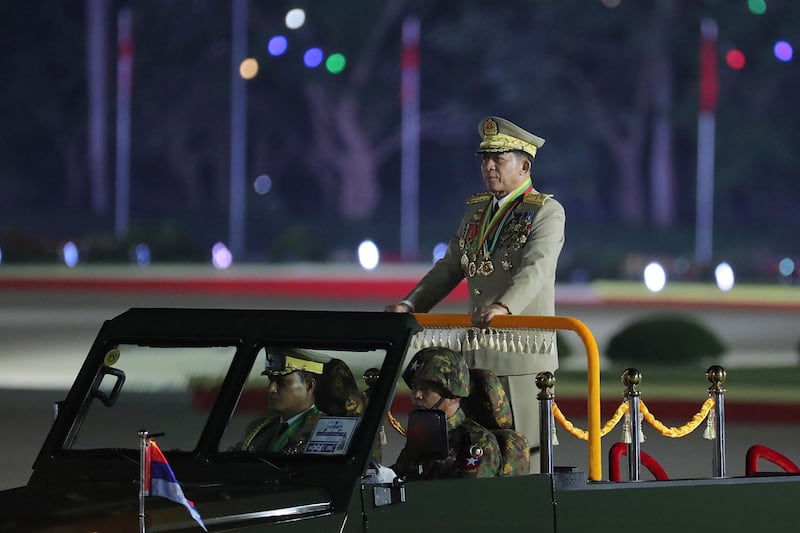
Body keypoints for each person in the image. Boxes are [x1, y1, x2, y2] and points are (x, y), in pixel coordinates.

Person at [386, 116, 566, 471]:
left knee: (522, 457)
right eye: (485, 158)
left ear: (524, 165)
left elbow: (537, 268)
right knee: (477, 454)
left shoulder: (545, 211)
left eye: (498, 159)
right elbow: (450, 266)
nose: (488, 166)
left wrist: (504, 306)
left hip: (521, 355)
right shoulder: (477, 210)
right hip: (477, 354)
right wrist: (412, 304)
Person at [392, 346, 500, 480]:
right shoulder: (423, 434)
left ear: (454, 397)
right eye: (414, 386)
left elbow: (466, 496)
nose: (416, 395)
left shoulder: (476, 442)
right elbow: (402, 474)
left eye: (426, 388)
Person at [239, 352, 325, 454]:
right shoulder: (258, 429)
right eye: (270, 380)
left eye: (282, 382)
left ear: (309, 386)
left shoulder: (325, 429)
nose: (271, 388)